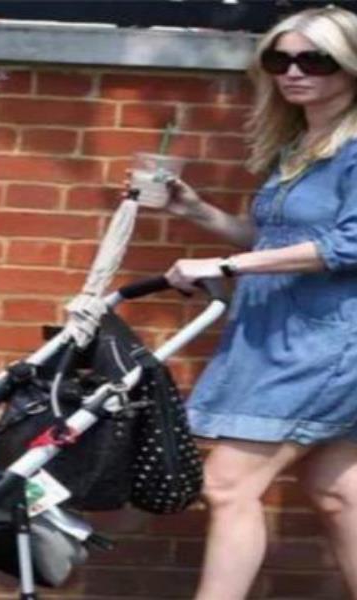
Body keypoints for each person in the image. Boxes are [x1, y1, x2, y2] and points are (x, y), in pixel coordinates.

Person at [131, 6, 357, 599]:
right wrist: (197, 212)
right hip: (283, 334)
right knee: (338, 492)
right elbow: (276, 241)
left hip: (327, 343)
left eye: (316, 60)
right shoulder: (302, 146)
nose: (294, 72)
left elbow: (349, 244)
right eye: (280, 60)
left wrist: (227, 266)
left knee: (229, 484)